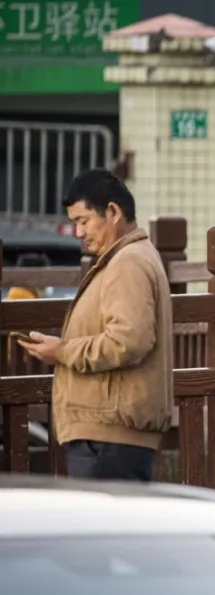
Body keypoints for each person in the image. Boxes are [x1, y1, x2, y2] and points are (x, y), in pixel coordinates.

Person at [19, 169, 172, 481]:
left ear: (113, 212)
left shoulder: (128, 261)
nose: (77, 232)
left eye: (83, 220)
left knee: (108, 528)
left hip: (109, 437)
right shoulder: (128, 257)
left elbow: (129, 340)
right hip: (108, 434)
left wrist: (62, 351)